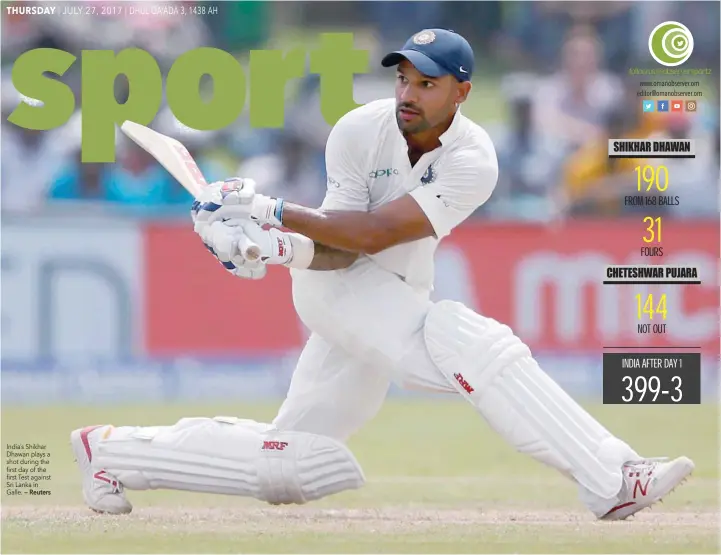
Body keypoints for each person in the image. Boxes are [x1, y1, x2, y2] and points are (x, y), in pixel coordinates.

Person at [71, 29, 693, 520]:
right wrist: (273, 247)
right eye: (402, 79)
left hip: (391, 290)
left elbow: (370, 237)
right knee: (464, 340)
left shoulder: (474, 161)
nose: (407, 95)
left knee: (292, 463)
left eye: (426, 83)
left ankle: (112, 450)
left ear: (462, 93)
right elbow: (338, 251)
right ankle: (612, 476)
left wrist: (270, 216)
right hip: (336, 289)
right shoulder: (359, 131)